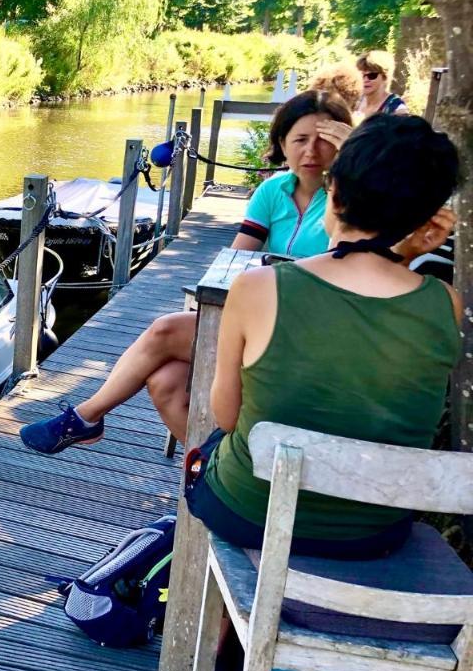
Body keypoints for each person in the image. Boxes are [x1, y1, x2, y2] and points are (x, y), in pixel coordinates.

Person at [20, 91, 355, 454]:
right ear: (282, 143)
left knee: (165, 329)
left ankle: (86, 417)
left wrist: (353, 168)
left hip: (314, 333)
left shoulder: (353, 198)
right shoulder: (273, 191)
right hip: (267, 317)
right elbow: (237, 258)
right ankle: (206, 486)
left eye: (324, 140)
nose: (311, 151)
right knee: (165, 382)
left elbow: (347, 258)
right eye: (300, 140)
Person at [187, 115, 460, 557]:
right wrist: (407, 250)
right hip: (374, 533)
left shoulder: (259, 287)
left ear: (335, 192)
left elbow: (226, 415)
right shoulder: (444, 302)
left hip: (250, 512)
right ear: (428, 217)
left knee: (214, 449)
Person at [355, 51, 409, 118]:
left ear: (384, 76)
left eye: (372, 75)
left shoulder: (397, 108)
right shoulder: (355, 102)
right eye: (362, 75)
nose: (365, 80)